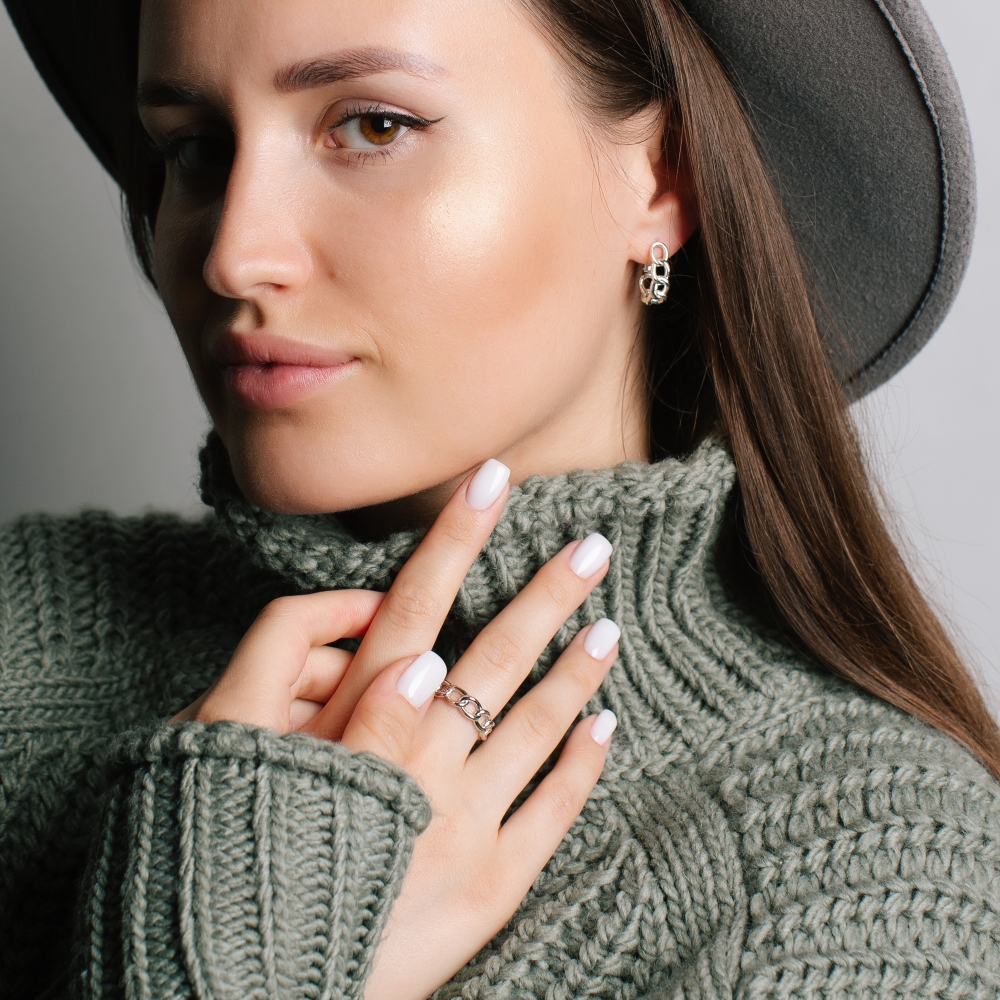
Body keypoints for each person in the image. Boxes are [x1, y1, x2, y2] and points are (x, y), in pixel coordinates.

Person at [1, 0, 998, 997]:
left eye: (374, 126)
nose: (234, 253)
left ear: (661, 179)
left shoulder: (877, 871)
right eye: (193, 148)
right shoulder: (27, 639)